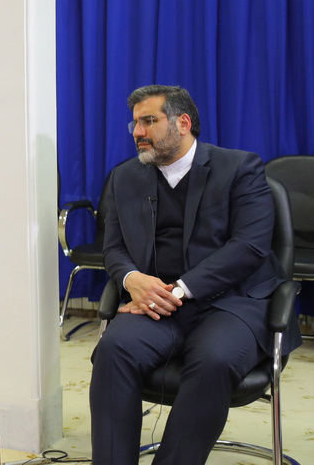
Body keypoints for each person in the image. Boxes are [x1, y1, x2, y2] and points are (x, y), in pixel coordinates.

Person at [89, 85, 301, 465]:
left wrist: (181, 290)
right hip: (157, 305)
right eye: (135, 124)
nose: (138, 132)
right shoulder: (125, 177)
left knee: (212, 359)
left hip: (233, 303)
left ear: (182, 123)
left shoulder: (239, 168)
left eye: (149, 121)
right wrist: (132, 280)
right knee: (113, 349)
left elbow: (249, 247)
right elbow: (114, 248)